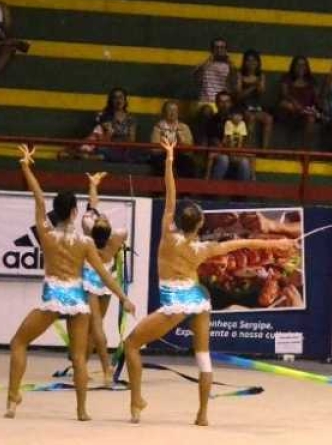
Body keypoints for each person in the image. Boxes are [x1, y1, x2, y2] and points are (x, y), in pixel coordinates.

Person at [122, 142, 296, 426]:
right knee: (202, 355)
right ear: (198, 226)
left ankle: (136, 401)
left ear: (178, 220)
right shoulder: (203, 249)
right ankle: (202, 414)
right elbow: (240, 242)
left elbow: (170, 194)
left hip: (176, 302)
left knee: (131, 345)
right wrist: (275, 242)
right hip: (197, 298)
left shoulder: (168, 235)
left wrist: (169, 160)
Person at [6, 147, 135, 421]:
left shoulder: (46, 233)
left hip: (53, 295)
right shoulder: (85, 242)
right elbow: (104, 273)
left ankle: (12, 399)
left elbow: (39, 198)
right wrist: (123, 297)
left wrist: (26, 167)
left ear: (55, 212)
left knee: (18, 342)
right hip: (77, 298)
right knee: (78, 357)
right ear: (76, 213)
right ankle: (82, 410)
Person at [81, 172, 130, 385]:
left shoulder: (88, 231)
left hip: (92, 278)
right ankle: (91, 368)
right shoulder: (118, 236)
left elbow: (91, 209)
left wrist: (92, 186)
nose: (102, 216)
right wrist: (94, 185)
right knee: (96, 326)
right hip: (106, 278)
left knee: (96, 326)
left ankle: (99, 368)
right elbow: (95, 211)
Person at [230, 49, 273, 149]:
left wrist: (257, 85)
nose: (251, 63)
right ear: (244, 62)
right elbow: (239, 95)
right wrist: (253, 87)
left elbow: (261, 91)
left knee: (268, 119)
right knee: (251, 118)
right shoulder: (239, 75)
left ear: (258, 63)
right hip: (242, 107)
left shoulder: (261, 75)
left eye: (254, 61)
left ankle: (265, 149)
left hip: (256, 107)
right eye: (248, 60)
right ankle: (247, 147)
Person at [192, 37, 232, 132]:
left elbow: (233, 85)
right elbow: (196, 78)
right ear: (212, 50)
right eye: (216, 47)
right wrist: (208, 62)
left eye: (222, 47)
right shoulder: (204, 65)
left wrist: (230, 64)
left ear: (226, 50)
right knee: (207, 111)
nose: (219, 50)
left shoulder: (229, 67)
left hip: (223, 102)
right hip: (206, 102)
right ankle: (204, 143)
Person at [150, 100, 195, 177]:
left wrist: (180, 139)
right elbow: (154, 149)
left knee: (187, 162)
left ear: (178, 113)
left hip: (180, 155)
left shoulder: (184, 127)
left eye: (174, 110)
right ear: (164, 112)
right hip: (163, 155)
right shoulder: (158, 127)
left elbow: (189, 148)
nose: (172, 113)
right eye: (169, 110)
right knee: (160, 162)